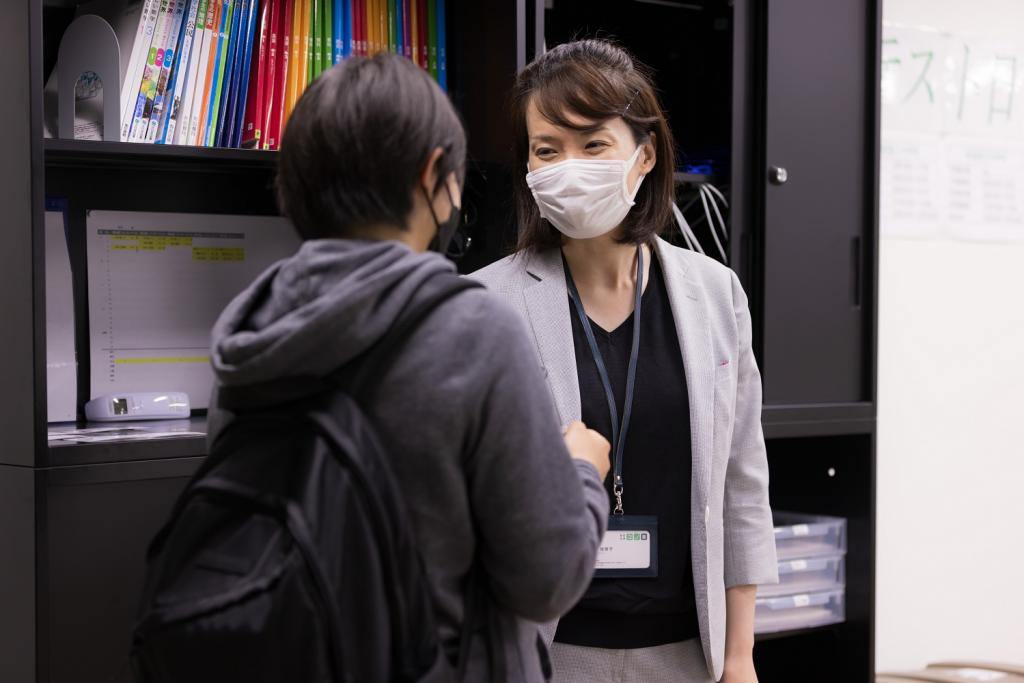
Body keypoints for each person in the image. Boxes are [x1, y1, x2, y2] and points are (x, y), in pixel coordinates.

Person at [206, 53, 611, 681]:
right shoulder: (472, 330)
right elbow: (545, 580)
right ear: (437, 178)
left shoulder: (251, 326)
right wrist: (582, 472)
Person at [471, 40, 779, 683]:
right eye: (546, 150)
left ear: (644, 156)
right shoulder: (484, 304)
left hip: (688, 652)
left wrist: (741, 657)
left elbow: (742, 484)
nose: (567, 167)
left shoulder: (716, 293)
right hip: (545, 652)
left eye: (593, 145)